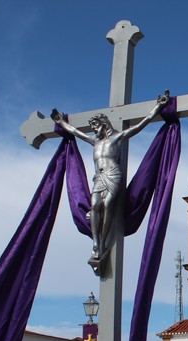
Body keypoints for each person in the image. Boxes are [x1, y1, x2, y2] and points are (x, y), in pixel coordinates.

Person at [50, 92, 170, 269]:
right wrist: (61, 123)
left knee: (108, 206)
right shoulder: (94, 141)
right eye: (92, 127)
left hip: (113, 174)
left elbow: (140, 126)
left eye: (96, 126)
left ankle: (103, 242)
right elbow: (75, 132)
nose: (94, 130)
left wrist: (158, 107)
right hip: (99, 177)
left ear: (104, 124)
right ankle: (97, 244)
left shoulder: (116, 138)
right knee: (95, 206)